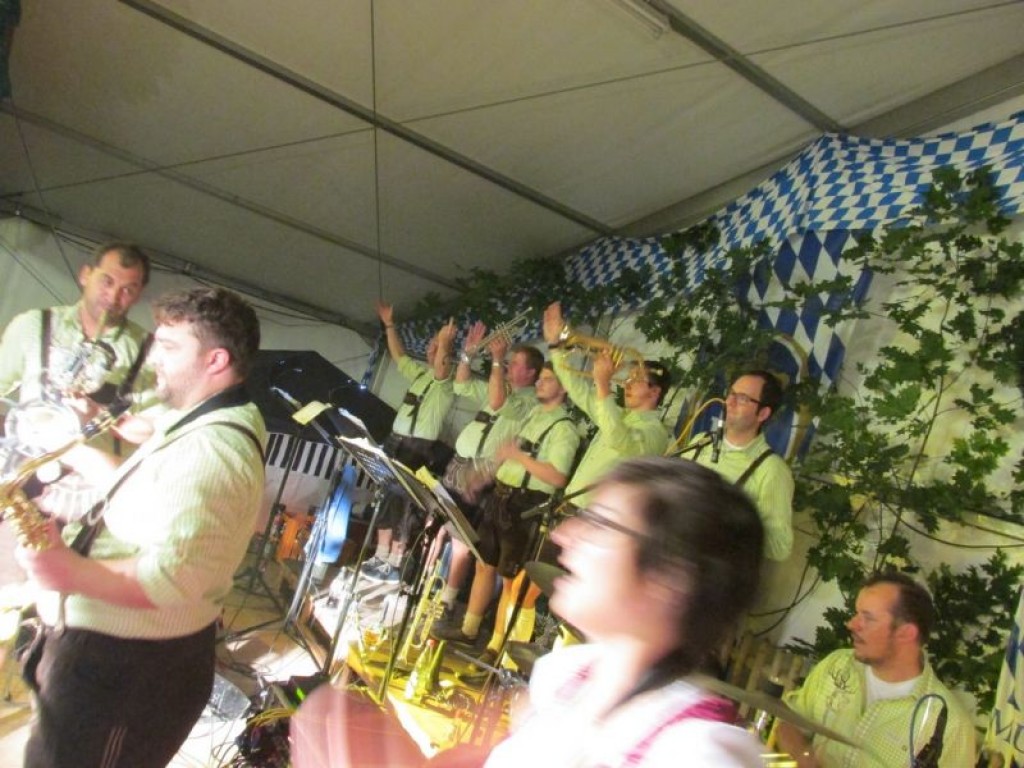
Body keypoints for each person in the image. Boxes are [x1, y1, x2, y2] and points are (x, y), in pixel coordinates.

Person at [15, 286, 267, 768]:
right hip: (111, 660)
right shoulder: (201, 419)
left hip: (122, 673)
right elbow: (145, 496)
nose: (153, 357)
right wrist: (75, 449)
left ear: (215, 360)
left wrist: (68, 571)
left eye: (168, 347)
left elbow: (171, 579)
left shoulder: (213, 450)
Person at [444, 457, 768, 766]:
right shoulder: (563, 675)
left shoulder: (692, 752)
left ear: (669, 578)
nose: (563, 535)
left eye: (600, 523)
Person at [434, 362, 579, 660]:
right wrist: (482, 477)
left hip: (526, 503)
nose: (539, 383)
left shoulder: (565, 429)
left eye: (547, 379)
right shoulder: (533, 415)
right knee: (483, 564)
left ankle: (497, 648)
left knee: (511, 580)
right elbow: (507, 454)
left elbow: (557, 476)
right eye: (540, 378)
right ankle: (469, 628)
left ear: (564, 388)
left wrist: (519, 457)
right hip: (501, 496)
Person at [777, 572, 976, 768]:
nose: (851, 624)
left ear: (906, 633)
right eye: (857, 614)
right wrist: (803, 755)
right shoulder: (838, 664)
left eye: (868, 618)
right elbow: (789, 722)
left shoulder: (949, 724)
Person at [430, 322, 541, 620]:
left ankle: (448, 600)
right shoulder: (501, 386)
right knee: (440, 526)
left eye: (514, 363)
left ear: (531, 373)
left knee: (461, 539)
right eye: (508, 361)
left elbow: (496, 401)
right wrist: (468, 354)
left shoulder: (529, 401)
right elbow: (461, 384)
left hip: (483, 469)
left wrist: (495, 360)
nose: (508, 366)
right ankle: (431, 588)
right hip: (459, 462)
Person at [359, 303, 455, 583]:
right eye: (432, 343)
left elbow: (442, 365)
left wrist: (446, 342)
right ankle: (380, 555)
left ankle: (395, 560)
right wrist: (389, 324)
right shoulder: (422, 375)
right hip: (396, 441)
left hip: (417, 447)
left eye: (437, 345)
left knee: (403, 502)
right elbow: (399, 356)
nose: (432, 348)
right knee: (386, 497)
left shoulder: (445, 382)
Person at [542, 301, 670, 510]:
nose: (627, 383)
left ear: (655, 392)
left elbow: (618, 437)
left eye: (636, 379)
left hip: (597, 517)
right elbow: (577, 390)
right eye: (628, 378)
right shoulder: (615, 412)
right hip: (570, 507)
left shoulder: (656, 432)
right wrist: (555, 346)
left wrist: (602, 384)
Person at [680, 369, 793, 561]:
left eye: (742, 398)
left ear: (763, 413)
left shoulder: (772, 469)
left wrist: (731, 523)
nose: (730, 402)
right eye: (731, 393)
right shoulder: (701, 441)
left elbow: (779, 546)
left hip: (709, 569)